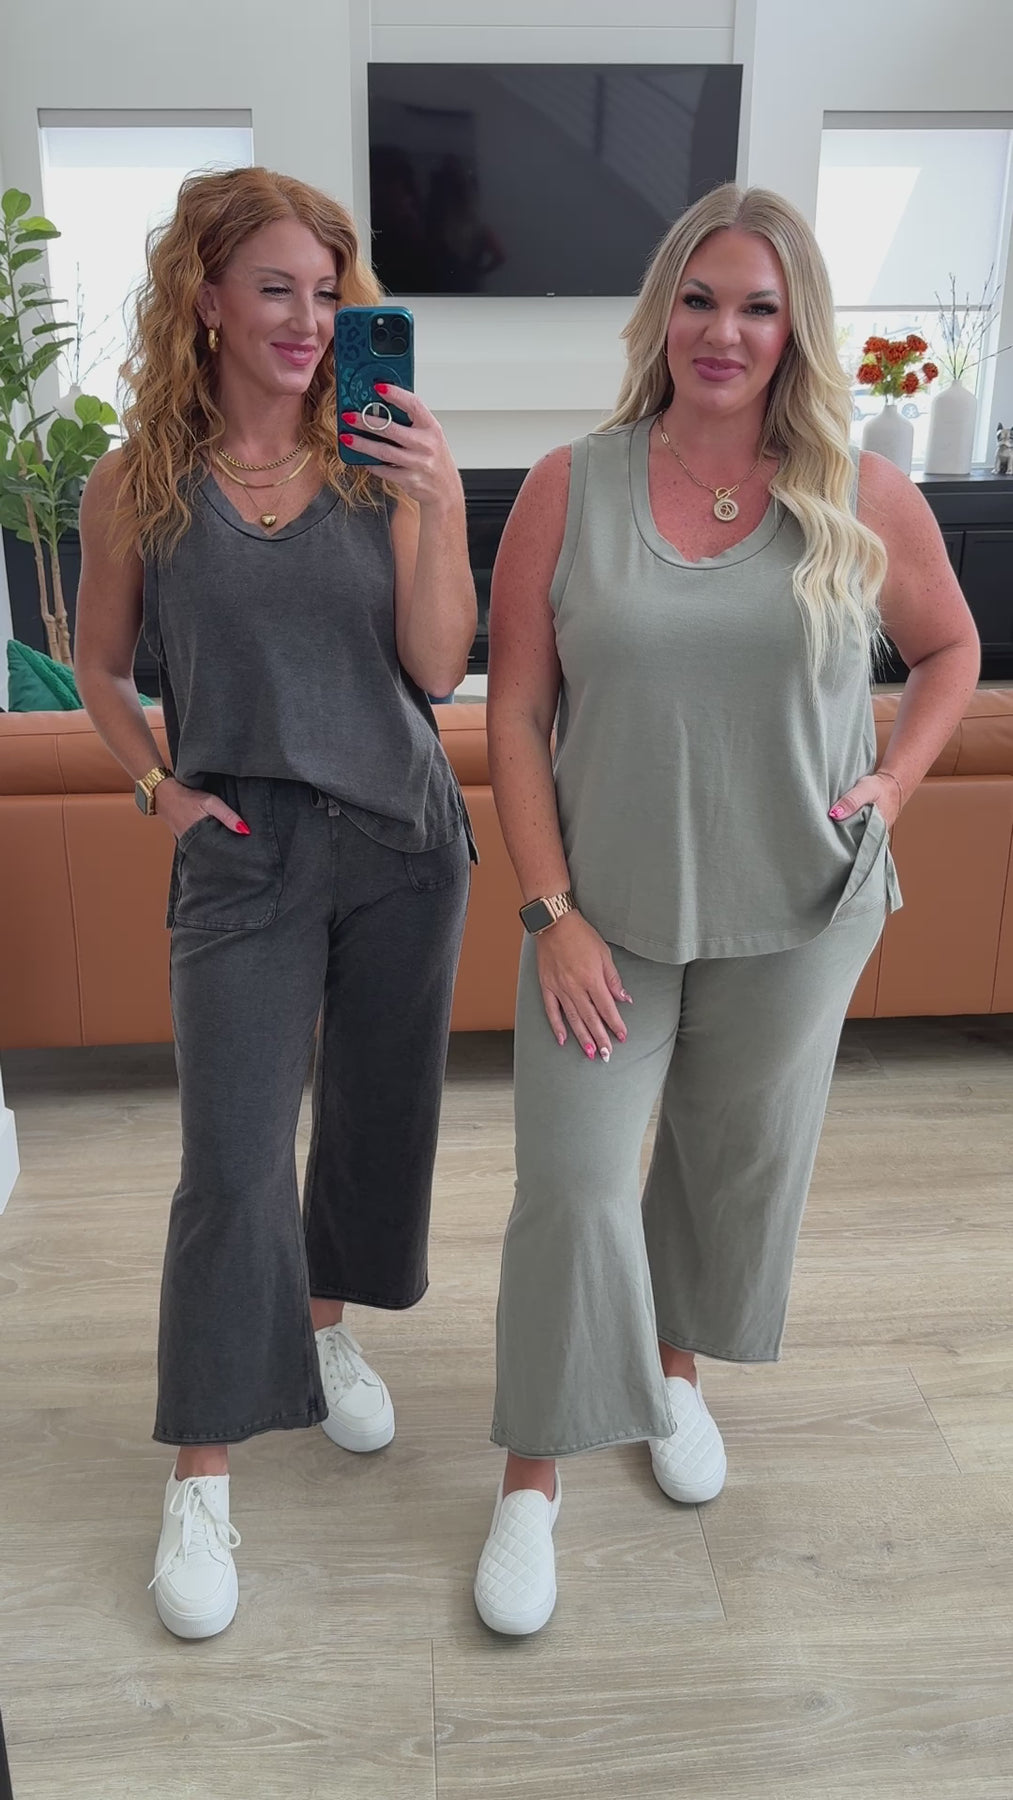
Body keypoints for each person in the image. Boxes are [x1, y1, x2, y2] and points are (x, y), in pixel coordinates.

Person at [474, 182, 980, 1637]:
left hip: (800, 909)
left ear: (795, 329)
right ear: (661, 313)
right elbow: (512, 713)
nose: (723, 331)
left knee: (724, 1166)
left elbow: (949, 650)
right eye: (698, 299)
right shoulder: (571, 485)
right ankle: (532, 1476)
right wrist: (548, 909)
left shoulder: (861, 493)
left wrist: (890, 784)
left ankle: (671, 1372)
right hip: (602, 918)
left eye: (759, 306)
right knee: (572, 1188)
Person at [75, 166, 476, 1639]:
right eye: (276, 290)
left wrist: (439, 503)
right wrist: (154, 787)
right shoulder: (136, 483)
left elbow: (437, 669)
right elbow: (100, 667)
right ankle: (203, 1468)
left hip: (401, 843)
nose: (309, 320)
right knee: (231, 1164)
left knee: (375, 1121)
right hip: (240, 850)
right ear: (207, 300)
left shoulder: (380, 458)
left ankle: (321, 1330)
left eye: (327, 292)